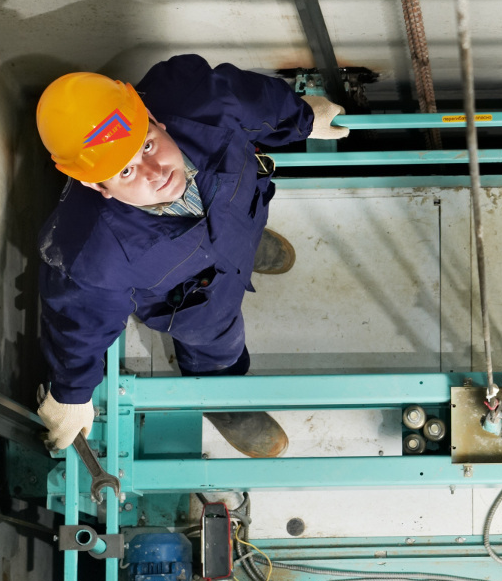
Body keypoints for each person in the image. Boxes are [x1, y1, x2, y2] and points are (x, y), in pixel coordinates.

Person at [31, 55, 348, 456]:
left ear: (153, 118)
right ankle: (219, 394)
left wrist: (302, 118)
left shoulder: (200, 100)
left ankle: (247, 250)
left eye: (147, 145)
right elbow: (80, 324)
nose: (154, 172)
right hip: (201, 301)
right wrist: (72, 393)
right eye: (125, 172)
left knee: (243, 232)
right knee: (219, 344)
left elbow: (256, 100)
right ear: (97, 187)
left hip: (240, 220)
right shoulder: (94, 254)